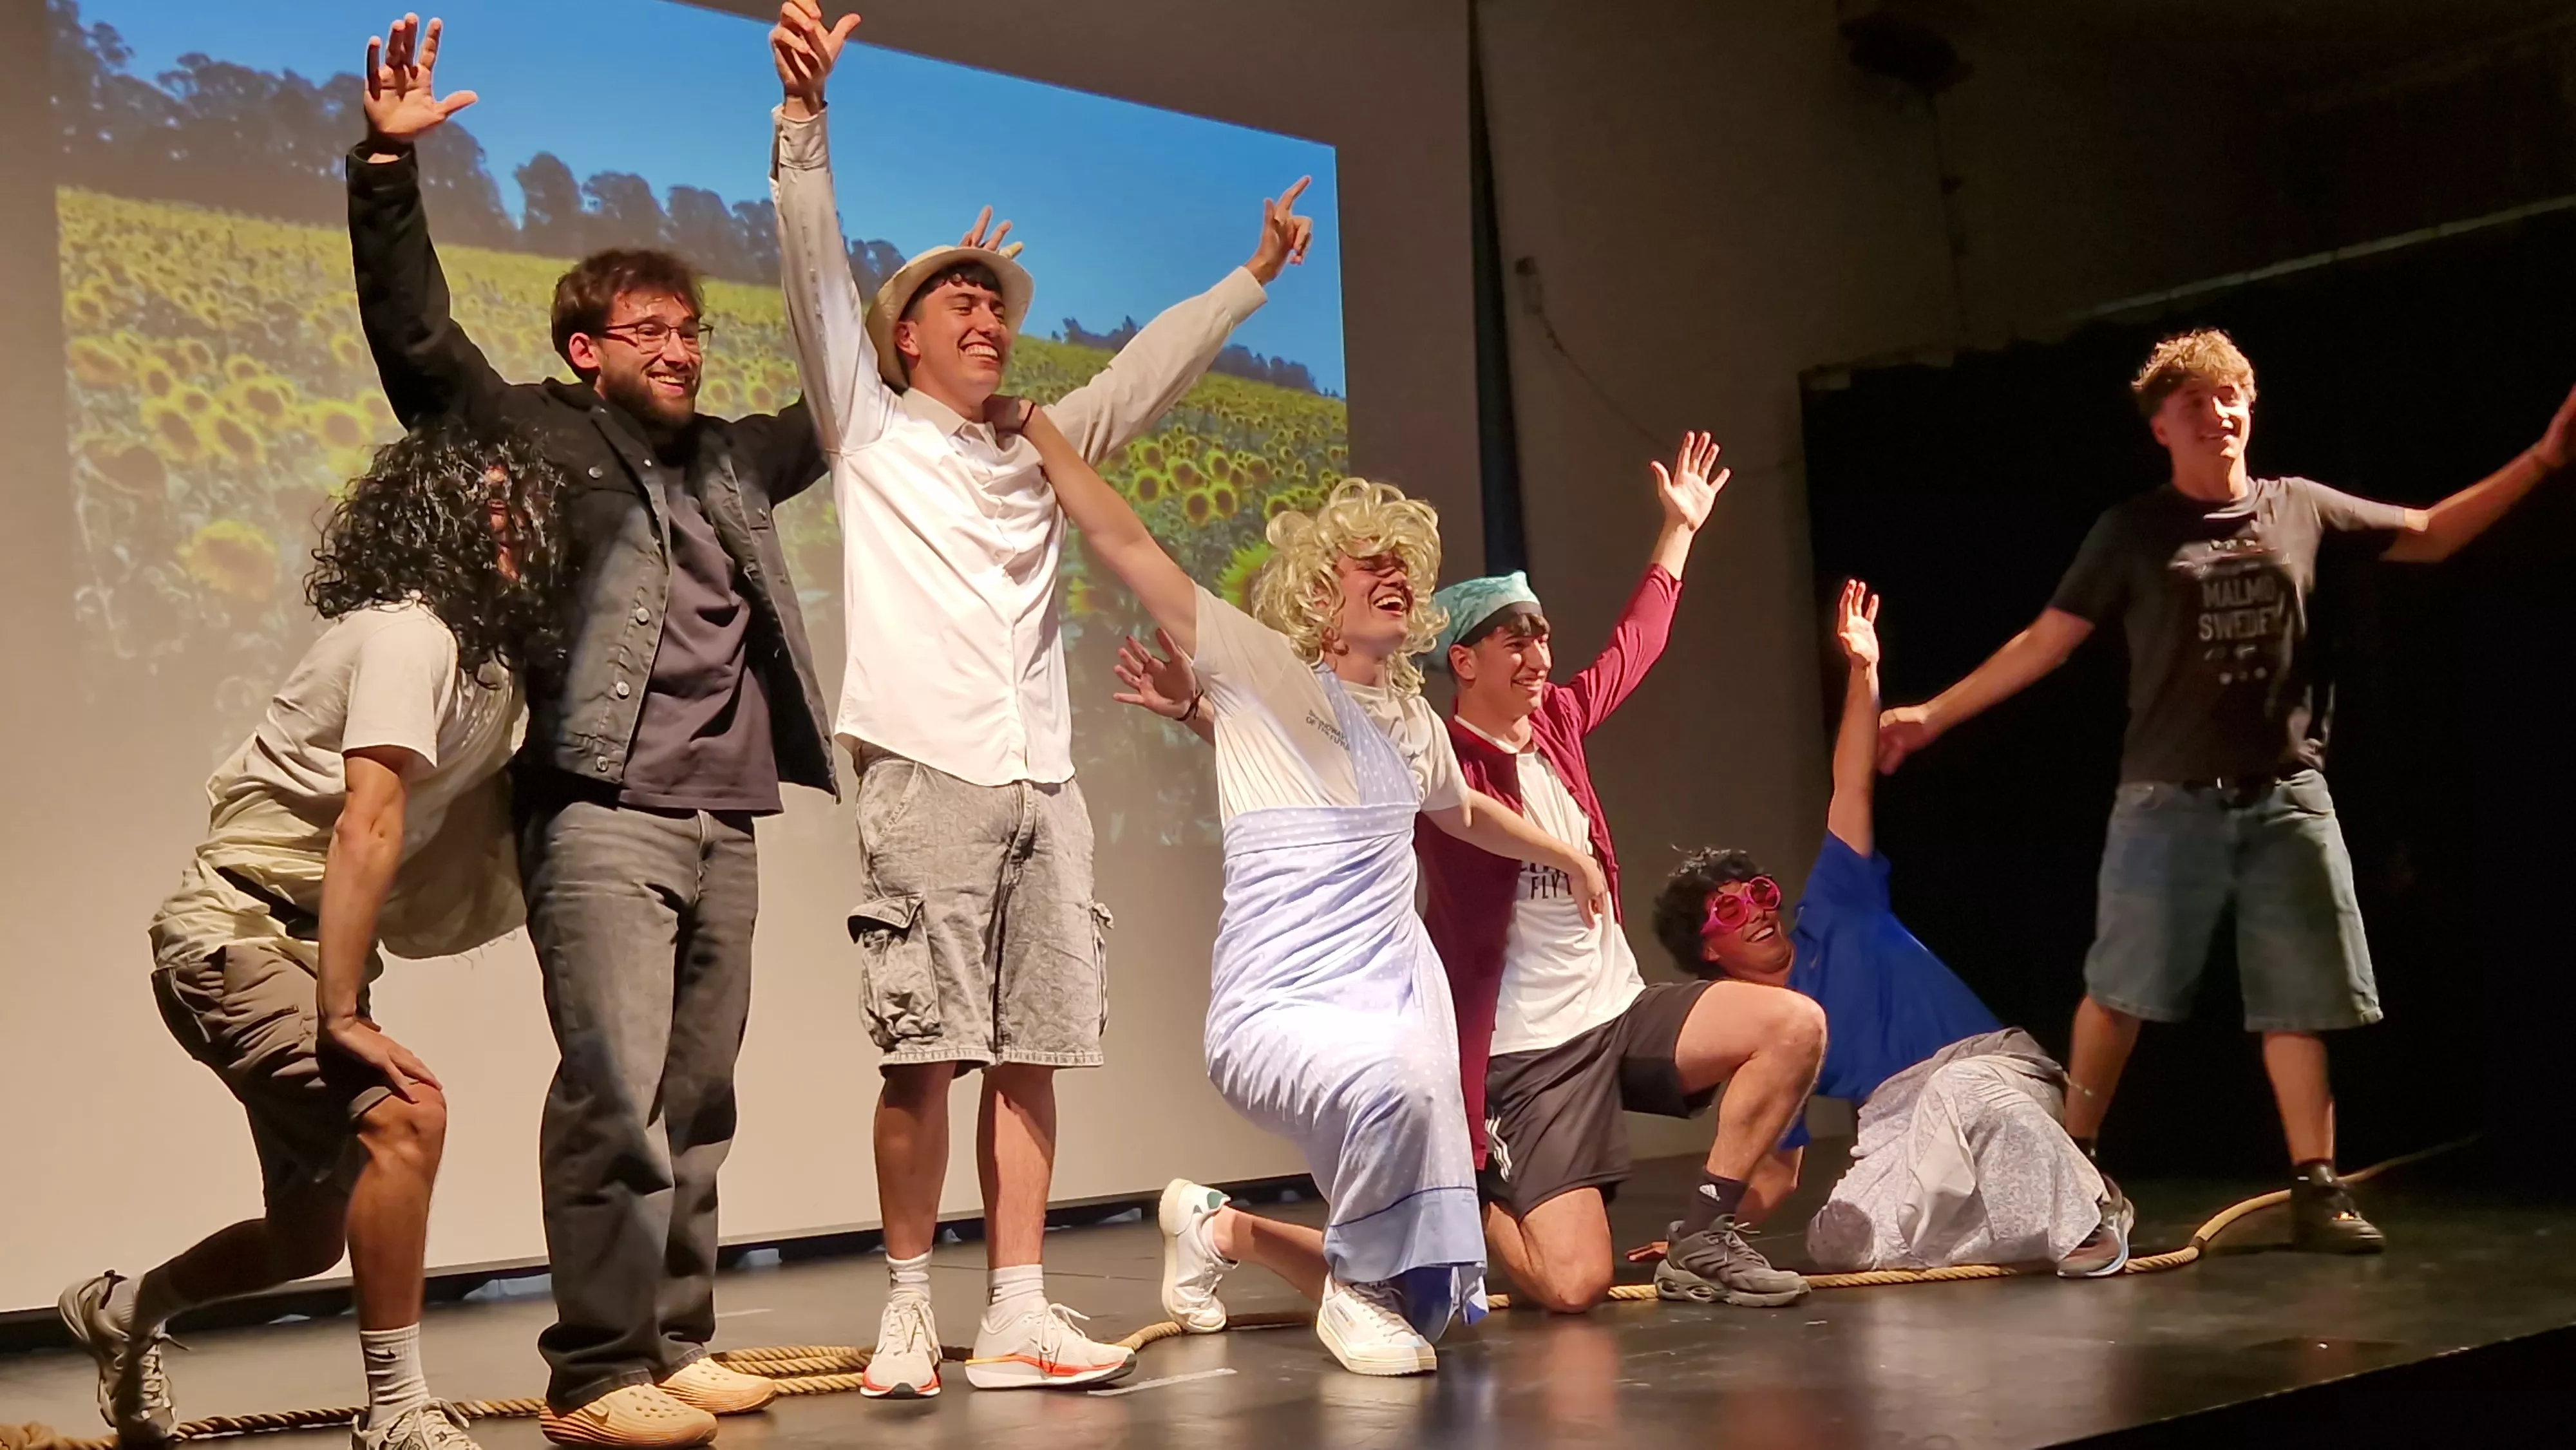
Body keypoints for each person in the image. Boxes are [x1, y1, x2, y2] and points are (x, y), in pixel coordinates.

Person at [765, 2, 1316, 1395]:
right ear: (897, 342)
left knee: (1031, 1053)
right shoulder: (869, 425)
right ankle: (906, 1303)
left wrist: (1249, 277)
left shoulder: (1039, 447)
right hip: (926, 772)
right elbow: (815, 274)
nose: (985, 316)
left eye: (995, 303)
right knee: (921, 1054)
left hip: (1041, 784)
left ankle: (1014, 1306)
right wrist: (806, 124)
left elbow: (1145, 369)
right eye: (955, 300)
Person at [347, 17, 851, 1444]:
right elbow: (420, 348)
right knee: (616, 1097)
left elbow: (839, 384)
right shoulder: (538, 435)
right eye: (653, 333)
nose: (683, 351)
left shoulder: (737, 458)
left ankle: (675, 1337)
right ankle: (590, 1373)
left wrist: (804, 140)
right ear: (586, 349)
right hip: (600, 810)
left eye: (693, 332)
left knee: (697, 1102)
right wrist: (385, 167)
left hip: (725, 812)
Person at [1876, 329, 2576, 1251]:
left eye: (2232, 397)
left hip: (2285, 796)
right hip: (2166, 801)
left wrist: (2543, 459)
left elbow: (2434, 534)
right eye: (2196, 404)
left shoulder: (2301, 509)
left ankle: (2315, 1187)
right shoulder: (2133, 531)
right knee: (2118, 992)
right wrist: (1933, 716)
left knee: (2300, 998)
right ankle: (2075, 1162)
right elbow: (2046, 642)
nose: (2220, 415)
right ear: (2162, 427)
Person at [1120, 435, 1826, 1311]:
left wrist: (1677, 532)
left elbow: (1635, 643)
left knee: (1791, 1025)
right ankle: (1432, 1196)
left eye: (1543, 636)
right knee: (1566, 1289)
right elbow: (1316, 763)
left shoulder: (1561, 721)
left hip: (1618, 1012)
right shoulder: (1429, 744)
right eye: (1516, 639)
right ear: (1464, 660)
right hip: (1530, 1050)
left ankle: (1705, 1236)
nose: (1539, 654)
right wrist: (1197, 710)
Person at [994, 392, 1617, 1374]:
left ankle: (1217, 1231)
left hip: (1388, 997)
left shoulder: (1413, 719)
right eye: (1371, 563)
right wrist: (1038, 428)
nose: (1395, 578)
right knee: (1402, 1092)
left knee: (1435, 1296)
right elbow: (1126, 540)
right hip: (1278, 1007)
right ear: (1321, 591)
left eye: (1404, 566)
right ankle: (1355, 1295)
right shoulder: (1256, 668)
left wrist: (1568, 852)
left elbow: (1458, 811)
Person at [60, 424, 564, 1450]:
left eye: (526, 505)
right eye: (493, 504)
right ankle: (394, 1411)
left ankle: (124, 1309)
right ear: (438, 522)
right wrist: (340, 1014)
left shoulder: (485, 665)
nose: (517, 524)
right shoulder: (406, 636)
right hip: (233, 937)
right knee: (408, 1119)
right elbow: (366, 820)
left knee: (305, 1237)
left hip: (297, 949)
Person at [1654, 581, 2125, 1277]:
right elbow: (1776, 1174)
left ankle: (2090, 1210)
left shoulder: (1835, 908)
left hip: (1987, 1071)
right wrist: (1692, 1235)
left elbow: (1851, 785)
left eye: (1756, 892)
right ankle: (2024, 1219)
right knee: (1841, 1241)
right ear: (1707, 949)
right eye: (1728, 910)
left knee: (1958, 1093)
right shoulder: (1769, 1034)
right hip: (1896, 1127)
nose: (1754, 909)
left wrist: (1862, 670)